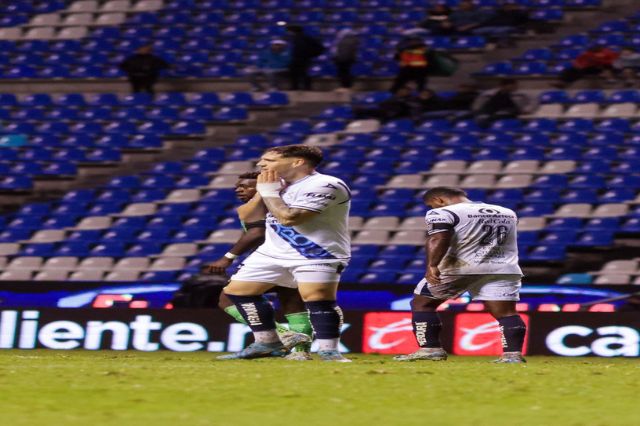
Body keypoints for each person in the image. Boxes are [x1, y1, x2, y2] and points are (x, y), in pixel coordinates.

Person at [219, 145, 352, 362]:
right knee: (237, 291)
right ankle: (267, 341)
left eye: (269, 160)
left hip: (316, 252)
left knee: (318, 299)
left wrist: (271, 193)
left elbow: (290, 218)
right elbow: (245, 215)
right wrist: (264, 191)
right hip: (272, 252)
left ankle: (330, 351)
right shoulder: (277, 184)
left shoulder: (326, 184)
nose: (261, 165)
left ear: (297, 162)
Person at [394, 186, 527, 363]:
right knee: (507, 313)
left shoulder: (443, 212)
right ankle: (512, 355)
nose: (431, 210)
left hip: (460, 267)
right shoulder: (507, 212)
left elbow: (438, 238)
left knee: (422, 302)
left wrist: (432, 265)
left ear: (439, 200)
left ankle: (430, 349)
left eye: (431, 205)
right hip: (503, 267)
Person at [202, 172, 313, 360]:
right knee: (292, 302)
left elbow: (257, 232)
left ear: (262, 187)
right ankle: (301, 353)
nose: (239, 189)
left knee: (228, 297)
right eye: (238, 186)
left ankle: (281, 336)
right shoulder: (281, 202)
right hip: (296, 258)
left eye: (246, 186)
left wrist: (227, 257)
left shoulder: (260, 205)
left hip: (270, 261)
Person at [287, 25, 325, 90]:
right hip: (296, 59)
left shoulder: (306, 38)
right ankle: (295, 87)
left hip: (304, 59)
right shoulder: (294, 39)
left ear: (292, 31)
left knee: (304, 73)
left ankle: (306, 87)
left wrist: (311, 54)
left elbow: (320, 48)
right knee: (294, 73)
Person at [331, 29, 360, 93]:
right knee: (345, 72)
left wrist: (337, 58)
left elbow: (341, 51)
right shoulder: (353, 40)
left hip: (343, 59)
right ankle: (347, 86)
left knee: (344, 73)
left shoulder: (344, 41)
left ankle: (346, 87)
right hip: (347, 59)